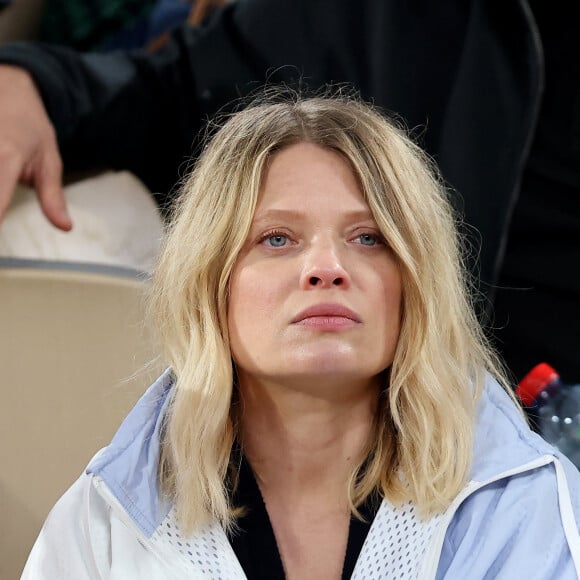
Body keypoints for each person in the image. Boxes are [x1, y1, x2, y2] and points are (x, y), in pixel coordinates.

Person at [21, 94, 580, 579]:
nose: (327, 267)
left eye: (368, 238)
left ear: (416, 281)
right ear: (211, 281)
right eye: (277, 238)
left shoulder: (525, 503)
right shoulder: (106, 517)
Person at [0, 0, 578, 385]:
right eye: (278, 238)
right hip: (424, 426)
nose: (323, 268)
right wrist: (33, 86)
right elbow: (186, 95)